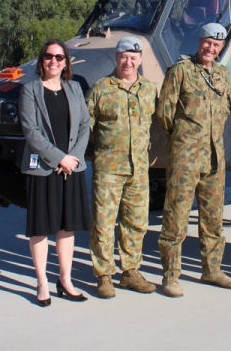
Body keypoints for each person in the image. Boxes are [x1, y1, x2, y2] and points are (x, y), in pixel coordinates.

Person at [156, 23, 231, 297]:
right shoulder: (181, 71)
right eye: (207, 43)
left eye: (216, 45)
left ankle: (212, 270)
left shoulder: (223, 75)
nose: (210, 48)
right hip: (186, 158)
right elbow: (165, 113)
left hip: (215, 158)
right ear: (199, 41)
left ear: (221, 48)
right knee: (176, 217)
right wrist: (186, 138)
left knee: (213, 218)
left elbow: (227, 108)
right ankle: (170, 275)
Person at [18, 39, 91, 306]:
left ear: (66, 63)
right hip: (44, 169)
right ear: (42, 61)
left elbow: (85, 124)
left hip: (71, 168)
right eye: (49, 57)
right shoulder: (30, 91)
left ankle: (66, 280)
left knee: (66, 227)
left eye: (59, 58)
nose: (54, 62)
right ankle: (42, 283)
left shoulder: (74, 88)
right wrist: (59, 158)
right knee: (40, 228)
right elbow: (30, 131)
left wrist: (73, 159)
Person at [87, 37, 158, 299]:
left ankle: (130, 271)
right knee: (104, 223)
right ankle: (104, 274)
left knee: (136, 222)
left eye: (133, 57)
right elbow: (88, 127)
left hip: (139, 168)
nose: (128, 62)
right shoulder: (101, 89)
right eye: (123, 57)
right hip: (108, 168)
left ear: (140, 60)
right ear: (116, 58)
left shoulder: (149, 89)